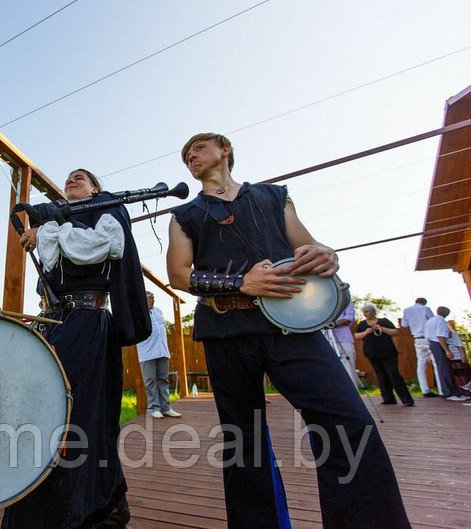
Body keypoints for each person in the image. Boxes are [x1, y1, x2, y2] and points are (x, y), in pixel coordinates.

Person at [167, 132, 410, 528]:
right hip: (225, 331)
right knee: (244, 444)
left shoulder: (273, 196)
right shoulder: (185, 215)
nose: (191, 156)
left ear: (225, 150)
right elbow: (179, 274)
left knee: (350, 423)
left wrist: (326, 255)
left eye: (198, 148)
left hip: (293, 327)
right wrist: (239, 283)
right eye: (186, 155)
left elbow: (309, 246)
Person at [3, 169, 151, 529]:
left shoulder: (107, 207)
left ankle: (82, 509)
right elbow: (53, 264)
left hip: (87, 321)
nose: (71, 181)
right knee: (51, 411)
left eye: (80, 178)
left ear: (95, 188)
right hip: (54, 323)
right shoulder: (55, 215)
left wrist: (49, 229)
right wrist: (45, 227)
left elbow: (102, 245)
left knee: (75, 413)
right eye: (68, 178)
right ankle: (92, 504)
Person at [354, 305, 414, 406]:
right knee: (381, 375)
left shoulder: (383, 321)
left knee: (393, 374)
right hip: (372, 353)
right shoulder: (363, 324)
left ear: (373, 312)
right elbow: (357, 336)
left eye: (367, 312)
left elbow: (395, 332)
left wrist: (381, 329)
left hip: (388, 352)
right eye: (364, 312)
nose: (365, 314)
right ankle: (388, 398)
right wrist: (367, 332)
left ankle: (406, 399)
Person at [136, 291, 182, 419]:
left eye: (153, 297)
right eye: (150, 297)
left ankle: (166, 407)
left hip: (162, 350)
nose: (153, 299)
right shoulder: (139, 313)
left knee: (163, 379)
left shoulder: (158, 311)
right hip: (147, 352)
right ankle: (154, 408)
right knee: (150, 380)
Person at [424, 306, 470, 402]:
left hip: (432, 343)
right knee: (445, 369)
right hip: (439, 344)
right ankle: (450, 392)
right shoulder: (441, 322)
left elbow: (428, 336)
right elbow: (440, 336)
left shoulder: (430, 321)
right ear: (446, 314)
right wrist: (447, 350)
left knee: (441, 369)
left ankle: (447, 391)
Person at [401, 298, 440, 397]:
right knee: (436, 363)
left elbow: (404, 324)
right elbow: (433, 321)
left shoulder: (407, 310)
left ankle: (425, 390)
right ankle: (442, 389)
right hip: (428, 337)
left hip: (417, 338)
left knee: (421, 364)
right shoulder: (425, 309)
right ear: (424, 302)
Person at [325, 299, 359, 388]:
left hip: (343, 339)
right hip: (325, 339)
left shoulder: (345, 300)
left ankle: (352, 395)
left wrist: (333, 324)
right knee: (328, 369)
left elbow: (349, 318)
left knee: (348, 368)